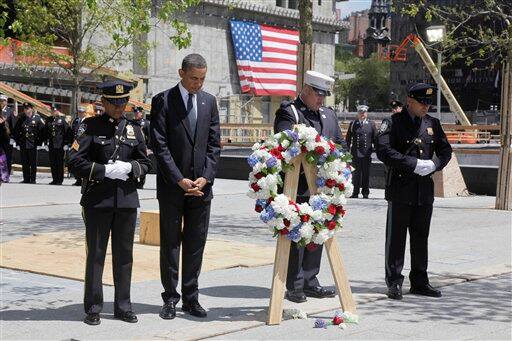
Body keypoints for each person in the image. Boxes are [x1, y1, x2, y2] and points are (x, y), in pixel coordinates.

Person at [68, 80, 151, 325]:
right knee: (96, 254)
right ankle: (93, 307)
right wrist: (103, 170)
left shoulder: (135, 129)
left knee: (124, 256)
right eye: (114, 102)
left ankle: (123, 306)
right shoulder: (89, 127)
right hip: (97, 200)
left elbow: (146, 163)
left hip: (126, 201)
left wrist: (131, 167)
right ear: (103, 102)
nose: (119, 107)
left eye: (123, 102)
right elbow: (74, 160)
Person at [150, 53, 221, 320]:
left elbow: (214, 145)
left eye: (202, 79)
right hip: (172, 186)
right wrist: (179, 179)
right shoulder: (163, 101)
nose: (198, 84)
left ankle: (191, 298)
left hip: (201, 187)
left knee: (195, 243)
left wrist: (206, 176)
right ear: (181, 74)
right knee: (170, 243)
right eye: (193, 78)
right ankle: (170, 298)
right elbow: (159, 144)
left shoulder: (209, 102)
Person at [274, 70, 348, 304]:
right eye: (318, 94)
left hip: (323, 187)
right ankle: (294, 285)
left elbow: (341, 144)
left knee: (317, 233)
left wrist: (338, 162)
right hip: (298, 185)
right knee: (297, 234)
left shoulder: (328, 114)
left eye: (324, 95)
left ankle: (310, 280)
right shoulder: (289, 112)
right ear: (305, 90)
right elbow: (285, 143)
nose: (321, 100)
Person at [376, 83, 452, 300]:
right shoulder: (392, 122)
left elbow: (445, 150)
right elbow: (384, 151)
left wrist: (435, 165)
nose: (426, 107)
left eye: (429, 102)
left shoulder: (433, 124)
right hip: (401, 189)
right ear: (409, 100)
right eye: (422, 102)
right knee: (396, 238)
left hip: (424, 191)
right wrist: (413, 164)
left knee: (421, 237)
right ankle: (394, 282)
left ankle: (420, 281)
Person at [345, 104, 377, 199]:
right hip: (356, 153)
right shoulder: (353, 124)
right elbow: (348, 139)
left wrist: (375, 151)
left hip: (367, 153)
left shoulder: (371, 124)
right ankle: (355, 192)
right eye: (360, 112)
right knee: (356, 174)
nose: (362, 114)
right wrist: (347, 151)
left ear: (366, 113)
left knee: (366, 173)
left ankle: (365, 192)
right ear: (358, 113)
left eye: (364, 112)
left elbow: (375, 138)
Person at [13, 102, 45, 184]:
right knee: (24, 162)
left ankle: (33, 179)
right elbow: (16, 131)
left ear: (31, 109)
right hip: (23, 144)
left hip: (33, 144)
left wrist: (40, 143)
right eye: (24, 109)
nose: (26, 110)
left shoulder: (37, 119)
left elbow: (42, 132)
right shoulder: (21, 118)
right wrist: (17, 143)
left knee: (33, 163)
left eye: (27, 109)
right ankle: (26, 179)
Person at [46, 105, 71, 185]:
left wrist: (66, 143)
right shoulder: (48, 119)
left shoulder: (62, 120)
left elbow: (67, 132)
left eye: (55, 110)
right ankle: (54, 179)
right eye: (52, 111)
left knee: (59, 163)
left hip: (60, 145)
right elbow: (46, 132)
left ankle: (60, 180)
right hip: (51, 144)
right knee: (53, 162)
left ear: (58, 111)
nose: (53, 112)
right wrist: (46, 143)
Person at [132, 106, 150, 189]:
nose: (136, 114)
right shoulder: (131, 123)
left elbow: (149, 136)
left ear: (141, 113)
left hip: (143, 147)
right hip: (133, 146)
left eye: (137, 112)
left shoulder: (146, 123)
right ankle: (134, 181)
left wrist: (148, 148)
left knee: (143, 164)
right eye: (135, 113)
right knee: (133, 164)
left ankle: (141, 182)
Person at [70, 106, 87, 186]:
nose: (80, 113)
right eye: (79, 112)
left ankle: (83, 179)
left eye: (82, 112)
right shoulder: (76, 121)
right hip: (75, 143)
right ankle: (78, 179)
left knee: (82, 160)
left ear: (85, 113)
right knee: (75, 159)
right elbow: (72, 132)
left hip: (83, 143)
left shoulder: (87, 121)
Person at [0, 94, 14, 174]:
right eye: (0, 100)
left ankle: (7, 172)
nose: (2, 102)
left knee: (7, 155)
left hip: (7, 137)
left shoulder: (10, 111)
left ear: (6, 101)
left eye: (3, 100)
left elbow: (13, 125)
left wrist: (13, 137)